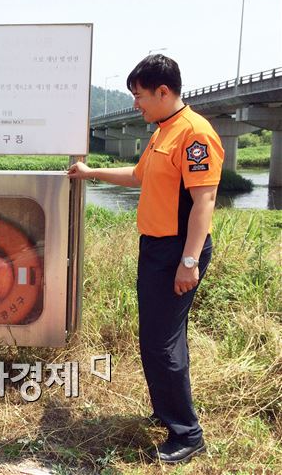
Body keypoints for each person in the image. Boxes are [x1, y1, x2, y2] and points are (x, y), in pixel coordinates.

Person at [68, 55, 224, 464]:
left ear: (163, 92)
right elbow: (138, 176)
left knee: (161, 343)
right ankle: (168, 412)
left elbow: (204, 201)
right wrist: (91, 173)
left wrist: (188, 262)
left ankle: (187, 433)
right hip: (156, 248)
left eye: (139, 96)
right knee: (159, 338)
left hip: (177, 250)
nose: (136, 104)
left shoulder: (194, 134)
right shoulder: (163, 131)